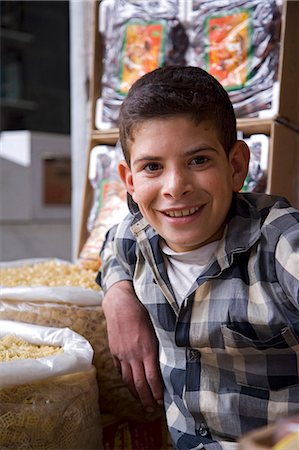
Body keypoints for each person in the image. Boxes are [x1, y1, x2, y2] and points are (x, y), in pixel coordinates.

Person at [96, 65, 299, 450]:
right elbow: (112, 246)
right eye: (153, 167)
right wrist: (118, 296)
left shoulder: (281, 243)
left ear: (237, 165)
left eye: (199, 160)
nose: (175, 187)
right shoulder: (137, 236)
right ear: (130, 181)